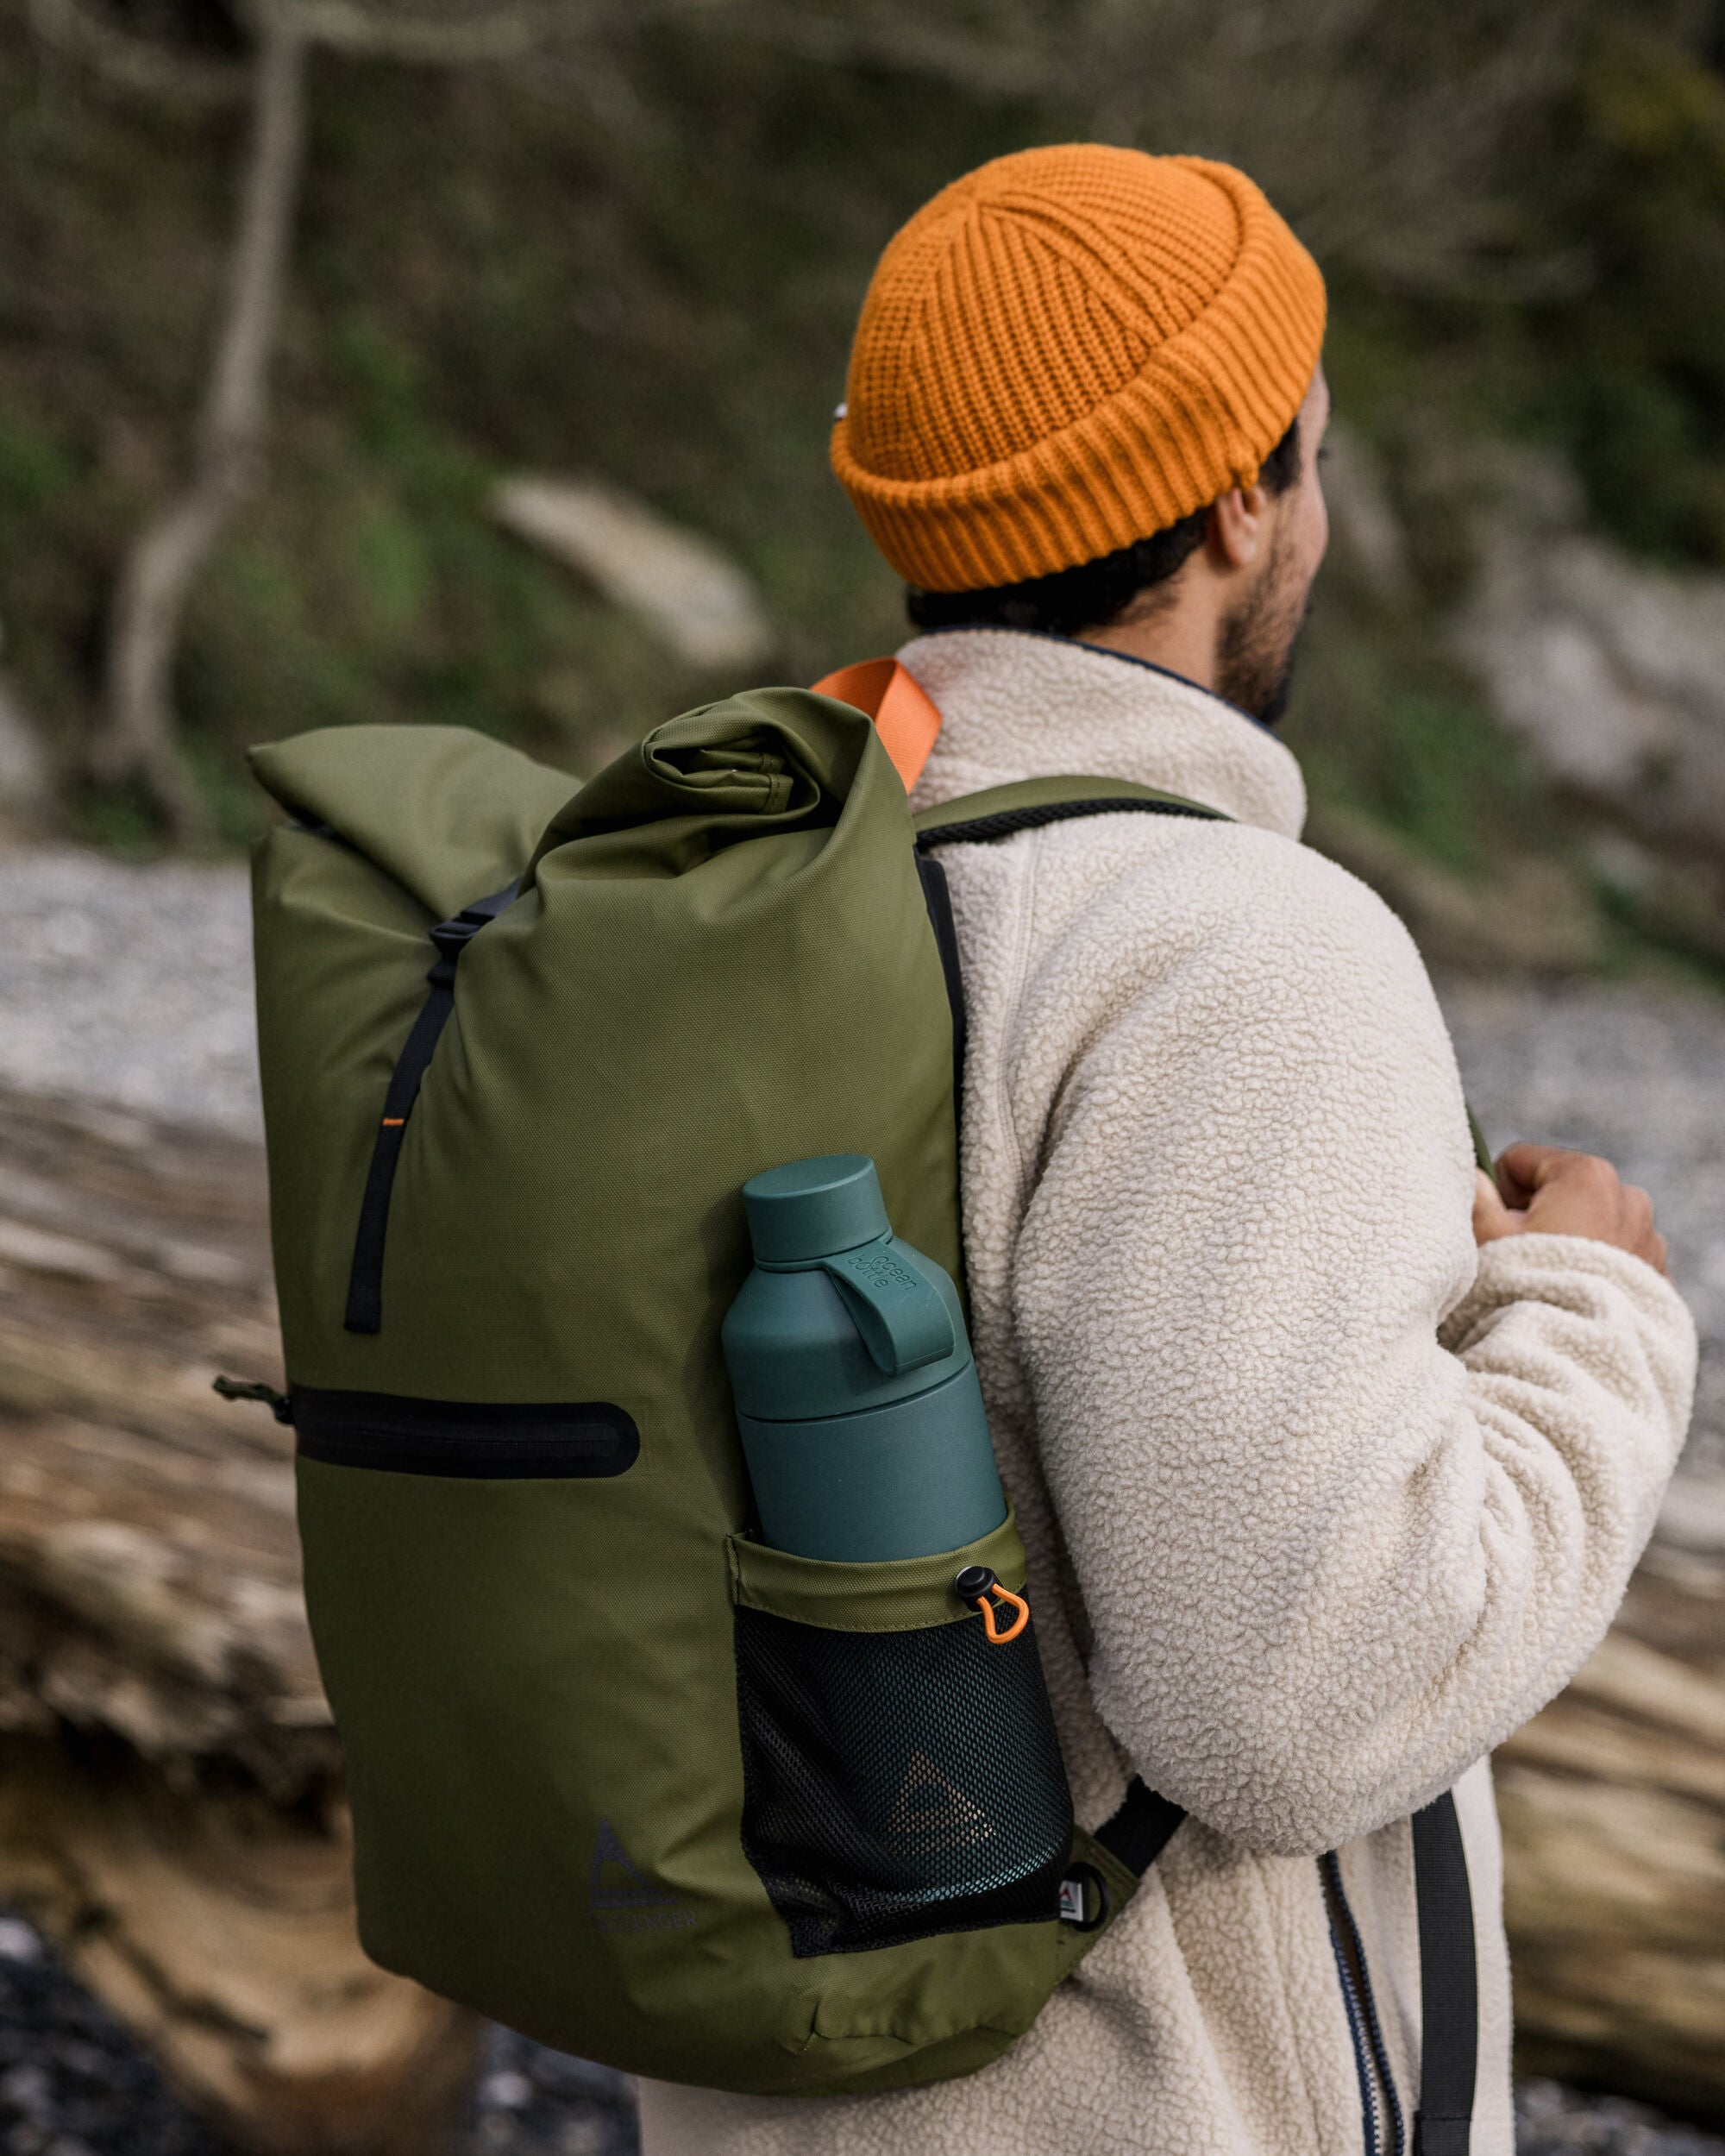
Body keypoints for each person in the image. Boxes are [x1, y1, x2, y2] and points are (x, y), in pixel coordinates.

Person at [637, 143, 1696, 2156]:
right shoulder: (1228, 951)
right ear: (1238, 502)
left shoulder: (736, 897)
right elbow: (1297, 1699)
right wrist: (1595, 1318)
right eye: (1314, 451)